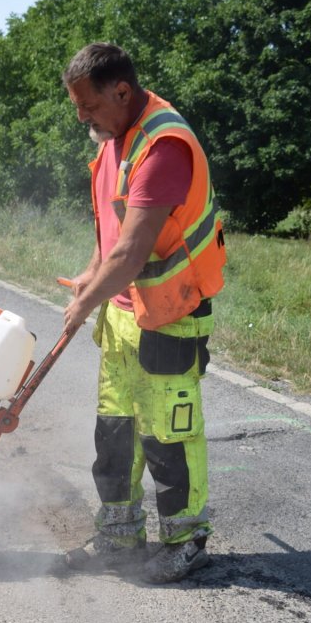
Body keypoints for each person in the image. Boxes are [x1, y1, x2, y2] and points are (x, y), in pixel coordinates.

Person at [60, 43, 226, 583]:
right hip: (125, 311)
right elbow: (111, 229)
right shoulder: (115, 139)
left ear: (122, 92)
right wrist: (90, 276)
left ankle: (185, 541)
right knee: (116, 429)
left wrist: (82, 304)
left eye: (88, 105)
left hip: (170, 315)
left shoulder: (163, 146)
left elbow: (132, 252)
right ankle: (118, 535)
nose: (81, 116)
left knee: (168, 435)